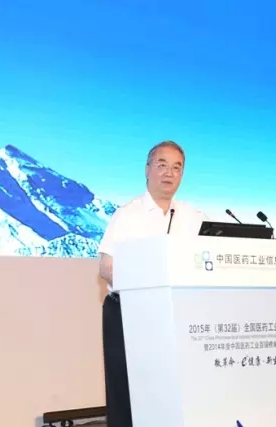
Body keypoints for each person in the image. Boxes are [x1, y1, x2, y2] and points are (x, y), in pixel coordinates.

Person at [96, 140, 208, 427]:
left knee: (170, 387)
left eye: (176, 167)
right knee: (127, 389)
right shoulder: (128, 214)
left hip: (177, 314)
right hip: (128, 313)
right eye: (162, 165)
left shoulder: (193, 217)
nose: (169, 173)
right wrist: (148, 287)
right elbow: (106, 267)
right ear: (147, 170)